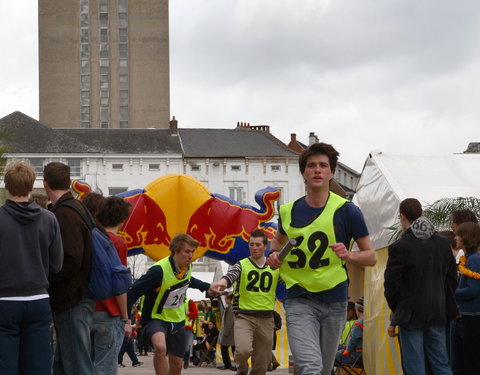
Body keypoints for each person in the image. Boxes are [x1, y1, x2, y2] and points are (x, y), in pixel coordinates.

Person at [267, 142, 377, 375]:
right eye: (312, 166)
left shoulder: (348, 211)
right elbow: (276, 242)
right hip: (298, 298)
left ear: (332, 173)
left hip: (335, 300)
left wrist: (349, 255)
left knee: (324, 370)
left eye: (323, 166)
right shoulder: (288, 211)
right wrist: (272, 254)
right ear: (304, 173)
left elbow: (372, 257)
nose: (317, 170)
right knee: (310, 366)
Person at [0, 161, 64, 373]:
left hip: (5, 300)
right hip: (37, 299)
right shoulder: (49, 219)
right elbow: (57, 265)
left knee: (6, 365)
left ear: (7, 185)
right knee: (38, 366)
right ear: (31, 186)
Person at [384, 198, 458, 375]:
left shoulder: (400, 246)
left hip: (410, 314)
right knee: (441, 364)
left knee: (415, 366)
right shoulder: (442, 244)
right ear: (422, 214)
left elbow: (391, 285)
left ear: (402, 217)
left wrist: (398, 308)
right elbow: (452, 279)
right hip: (437, 310)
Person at [126, 233, 218, 375]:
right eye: (187, 251)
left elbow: (189, 280)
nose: (190, 256)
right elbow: (132, 292)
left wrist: (207, 287)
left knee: (177, 364)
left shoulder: (187, 267)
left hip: (177, 320)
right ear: (175, 250)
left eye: (192, 252)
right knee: (160, 346)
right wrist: (126, 320)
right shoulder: (158, 271)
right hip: (155, 319)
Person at [43, 161, 96, 374]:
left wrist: (47, 277)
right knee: (64, 363)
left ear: (45, 184)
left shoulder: (64, 214)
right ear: (69, 182)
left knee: (76, 364)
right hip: (77, 296)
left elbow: (71, 258)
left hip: (72, 298)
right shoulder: (78, 208)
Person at [211, 229, 280, 375]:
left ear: (265, 247)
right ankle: (241, 371)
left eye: (257, 244)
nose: (254, 247)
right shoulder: (241, 265)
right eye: (251, 244)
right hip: (244, 316)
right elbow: (230, 276)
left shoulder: (274, 267)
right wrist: (222, 283)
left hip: (267, 318)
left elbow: (288, 282)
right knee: (242, 351)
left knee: (261, 365)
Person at [90, 196, 133, 374]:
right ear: (123, 219)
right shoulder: (118, 243)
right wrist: (126, 318)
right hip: (109, 312)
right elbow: (119, 285)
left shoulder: (91, 236)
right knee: (105, 367)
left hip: (87, 309)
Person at [454, 222, 480, 374]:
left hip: (473, 318)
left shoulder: (475, 259)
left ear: (465, 237)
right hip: (466, 315)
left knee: (471, 360)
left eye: (458, 234)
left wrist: (450, 293)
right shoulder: (468, 258)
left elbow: (472, 290)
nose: (455, 237)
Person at [335, 297, 364, 366]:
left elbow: (353, 341)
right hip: (361, 355)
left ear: (356, 310)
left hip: (355, 356)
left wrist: (347, 350)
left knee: (328, 356)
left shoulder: (358, 323)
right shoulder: (367, 321)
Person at [218, 293, 236, 371]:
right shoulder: (231, 307)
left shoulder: (230, 307)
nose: (225, 300)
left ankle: (228, 364)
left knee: (225, 347)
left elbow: (229, 321)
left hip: (230, 332)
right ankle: (232, 365)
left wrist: (225, 332)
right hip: (232, 331)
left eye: (226, 299)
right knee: (233, 348)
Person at [183, 298, 198, 369]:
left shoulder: (189, 302)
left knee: (187, 347)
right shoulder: (173, 300)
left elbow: (195, 314)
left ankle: (186, 361)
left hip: (187, 328)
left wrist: (188, 313)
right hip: (176, 327)